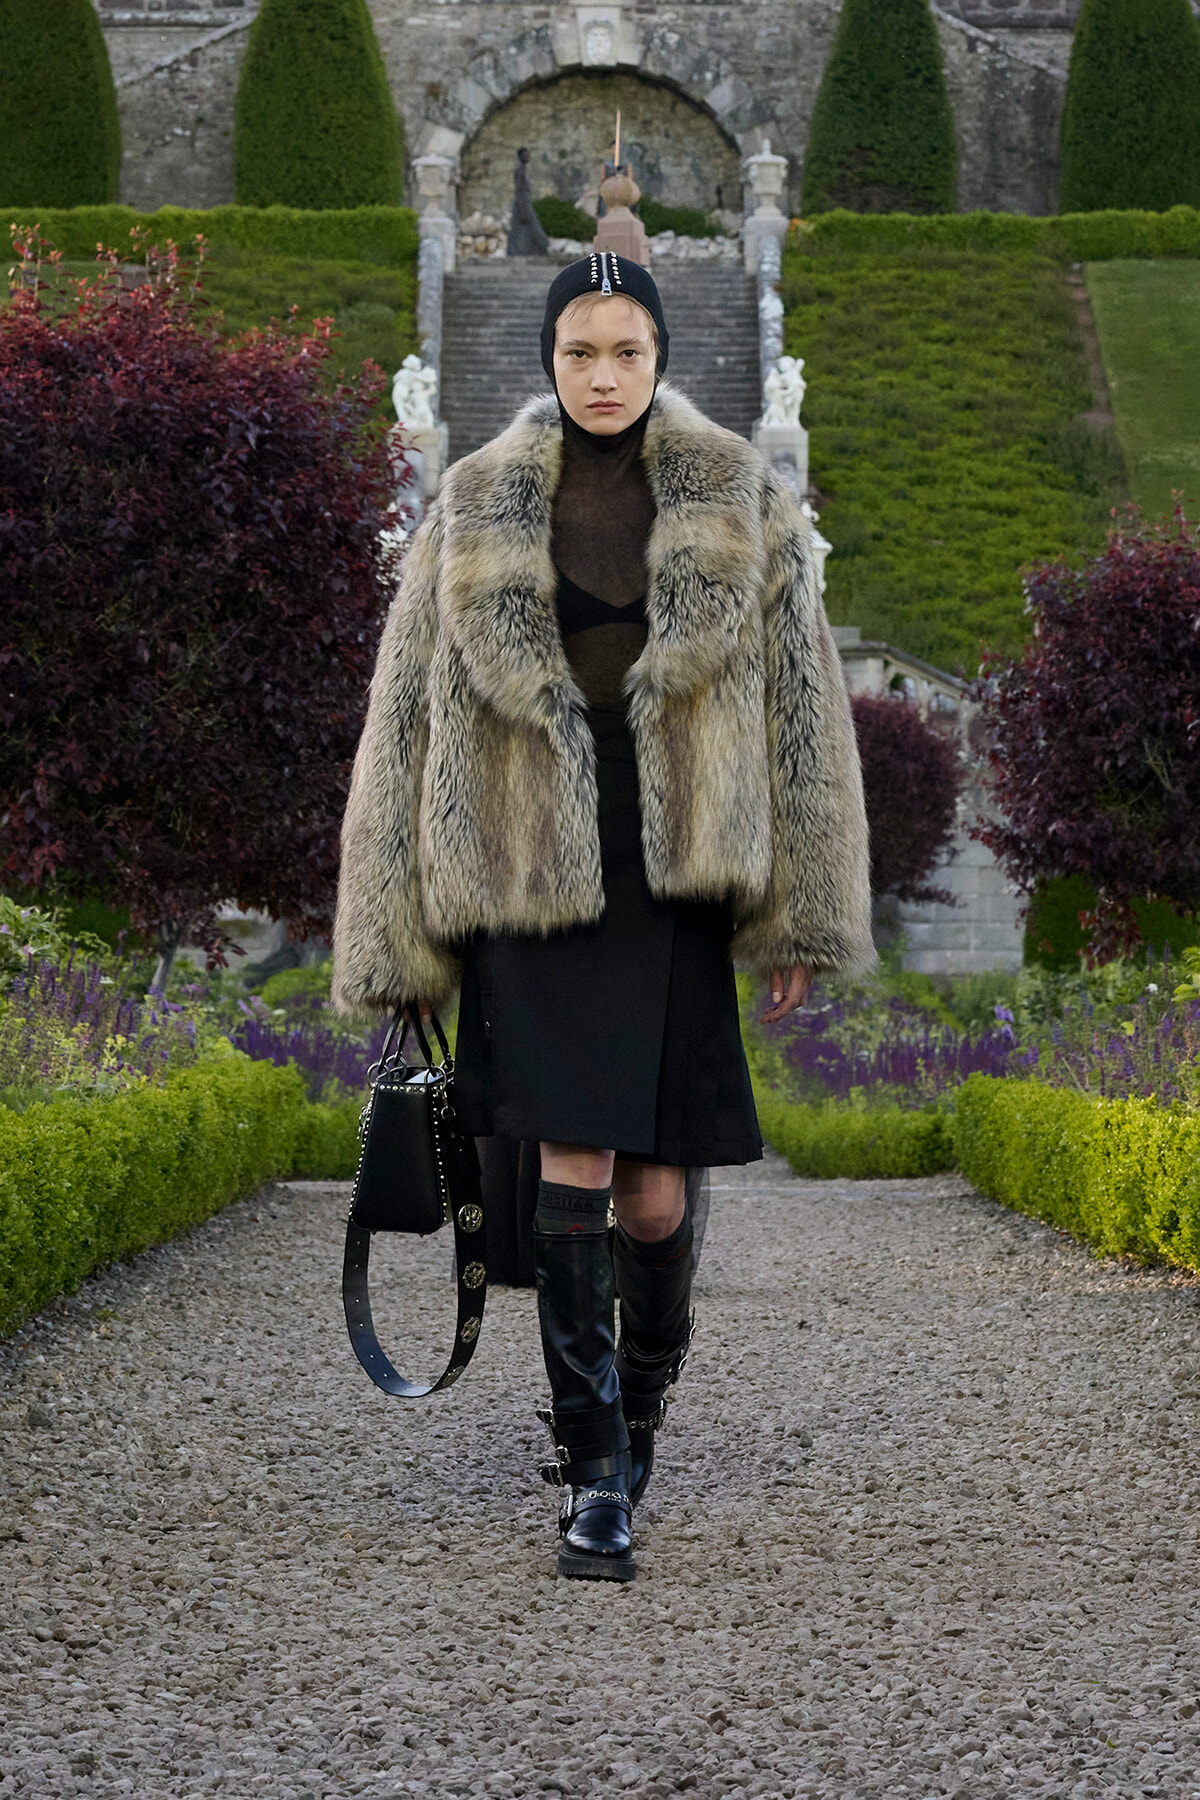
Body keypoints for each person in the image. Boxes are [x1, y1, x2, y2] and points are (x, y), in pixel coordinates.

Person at [332, 251, 873, 1583]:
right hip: (528, 872)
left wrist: (800, 911)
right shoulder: (469, 507)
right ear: (550, 359)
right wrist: (397, 934)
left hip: (675, 873)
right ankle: (594, 1477)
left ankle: (636, 1417)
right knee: (573, 1164)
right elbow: (400, 727)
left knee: (652, 1196)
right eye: (582, 351)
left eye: (627, 350)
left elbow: (806, 724)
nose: (605, 373)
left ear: (660, 356)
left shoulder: (749, 501)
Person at [507, 147, 549, 257]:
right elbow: (519, 190)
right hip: (522, 203)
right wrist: (522, 208)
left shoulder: (524, 170)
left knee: (525, 229)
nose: (528, 157)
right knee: (529, 227)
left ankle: (533, 250)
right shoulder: (519, 171)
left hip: (525, 201)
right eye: (525, 155)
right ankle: (541, 248)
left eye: (528, 155)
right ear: (520, 157)